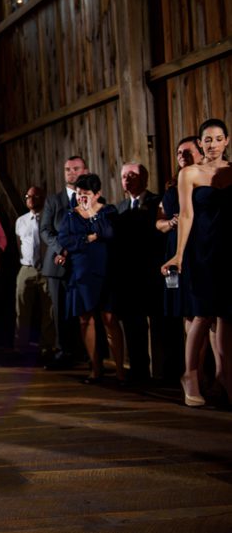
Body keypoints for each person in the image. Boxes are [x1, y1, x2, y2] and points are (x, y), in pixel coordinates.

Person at [162, 119, 232, 407]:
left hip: (228, 251)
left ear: (226, 141)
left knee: (227, 316)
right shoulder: (189, 173)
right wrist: (178, 254)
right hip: (200, 251)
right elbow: (187, 215)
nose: (212, 144)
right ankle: (190, 375)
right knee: (202, 315)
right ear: (201, 143)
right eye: (207, 139)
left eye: (218, 139)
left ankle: (224, 376)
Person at [58, 173, 126, 385]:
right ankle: (95, 369)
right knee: (85, 319)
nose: (81, 198)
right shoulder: (70, 216)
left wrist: (91, 214)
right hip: (81, 272)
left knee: (109, 319)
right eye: (79, 194)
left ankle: (120, 371)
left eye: (86, 194)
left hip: (105, 270)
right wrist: (87, 238)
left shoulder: (108, 212)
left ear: (97, 194)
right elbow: (66, 240)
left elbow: (108, 233)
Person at [155, 136, 202, 380]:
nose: (182, 156)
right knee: (188, 310)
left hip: (201, 245)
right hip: (177, 247)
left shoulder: (205, 182)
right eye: (179, 153)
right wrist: (169, 223)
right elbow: (158, 223)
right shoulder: (171, 189)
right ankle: (194, 370)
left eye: (188, 151)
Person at [115, 163, 163, 381]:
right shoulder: (119, 209)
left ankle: (163, 371)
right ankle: (138, 370)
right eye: (124, 176)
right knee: (133, 326)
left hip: (153, 274)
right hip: (128, 277)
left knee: (159, 326)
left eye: (132, 175)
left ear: (144, 177)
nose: (128, 179)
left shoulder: (157, 202)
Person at [40, 156, 88, 369]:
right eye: (67, 169)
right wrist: (62, 249)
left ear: (84, 170)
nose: (71, 173)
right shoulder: (53, 200)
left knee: (83, 310)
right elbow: (45, 230)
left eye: (76, 169)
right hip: (57, 263)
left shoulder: (89, 198)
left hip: (82, 263)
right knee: (59, 311)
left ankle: (85, 351)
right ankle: (63, 351)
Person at [14, 186, 55, 354]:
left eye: (35, 196)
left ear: (42, 198)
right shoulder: (21, 221)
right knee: (21, 308)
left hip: (47, 267)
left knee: (49, 309)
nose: (31, 198)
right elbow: (19, 244)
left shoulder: (49, 218)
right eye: (28, 196)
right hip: (27, 267)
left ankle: (48, 346)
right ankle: (20, 345)